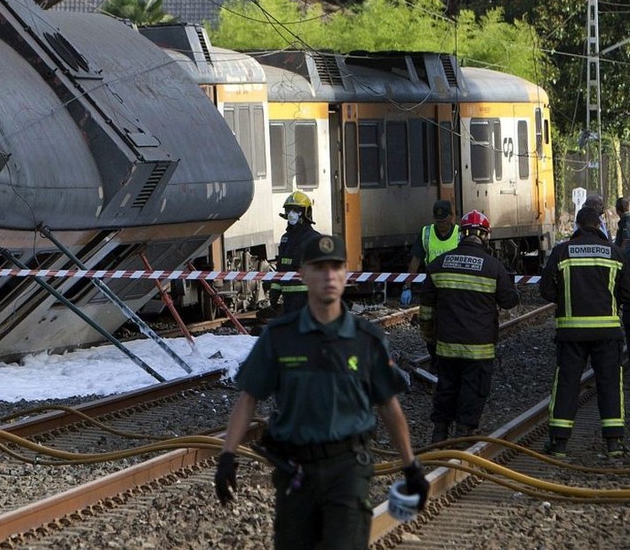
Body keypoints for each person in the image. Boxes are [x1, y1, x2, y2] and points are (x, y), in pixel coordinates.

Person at [213, 233, 429, 549]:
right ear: (303, 274)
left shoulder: (365, 340)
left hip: (348, 470)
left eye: (336, 267)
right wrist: (227, 457)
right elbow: (249, 398)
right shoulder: (280, 337)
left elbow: (388, 405)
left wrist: (411, 467)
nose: (329, 275)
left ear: (345, 274)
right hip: (295, 472)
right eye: (319, 267)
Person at [419, 210, 519, 443]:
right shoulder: (493, 267)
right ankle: (463, 433)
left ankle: (440, 433)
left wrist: (429, 336)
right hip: (479, 346)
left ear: (461, 234)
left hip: (446, 345)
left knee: (446, 386)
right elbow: (508, 301)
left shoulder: (438, 265)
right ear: (485, 236)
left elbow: (426, 308)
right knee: (473, 389)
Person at [539, 205, 630, 458]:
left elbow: (545, 290)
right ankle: (614, 444)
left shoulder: (561, 252)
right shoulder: (615, 253)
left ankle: (558, 444)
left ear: (577, 226)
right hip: (607, 333)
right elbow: (627, 292)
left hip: (571, 333)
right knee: (610, 384)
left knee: (567, 384)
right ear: (599, 225)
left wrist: (566, 299)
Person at [402, 200, 460, 368]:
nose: (441, 224)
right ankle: (435, 357)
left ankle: (448, 359)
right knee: (427, 324)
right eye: (438, 221)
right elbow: (416, 260)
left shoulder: (460, 234)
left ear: (451, 217)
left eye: (444, 220)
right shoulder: (426, 233)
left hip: (454, 288)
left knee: (451, 325)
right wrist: (407, 286)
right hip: (432, 286)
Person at [270, 191, 319, 315]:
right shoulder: (286, 238)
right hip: (288, 298)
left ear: (305, 212)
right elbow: (281, 267)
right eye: (289, 210)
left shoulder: (314, 239)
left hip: (307, 298)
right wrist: (274, 292)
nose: (291, 214)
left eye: (296, 210)